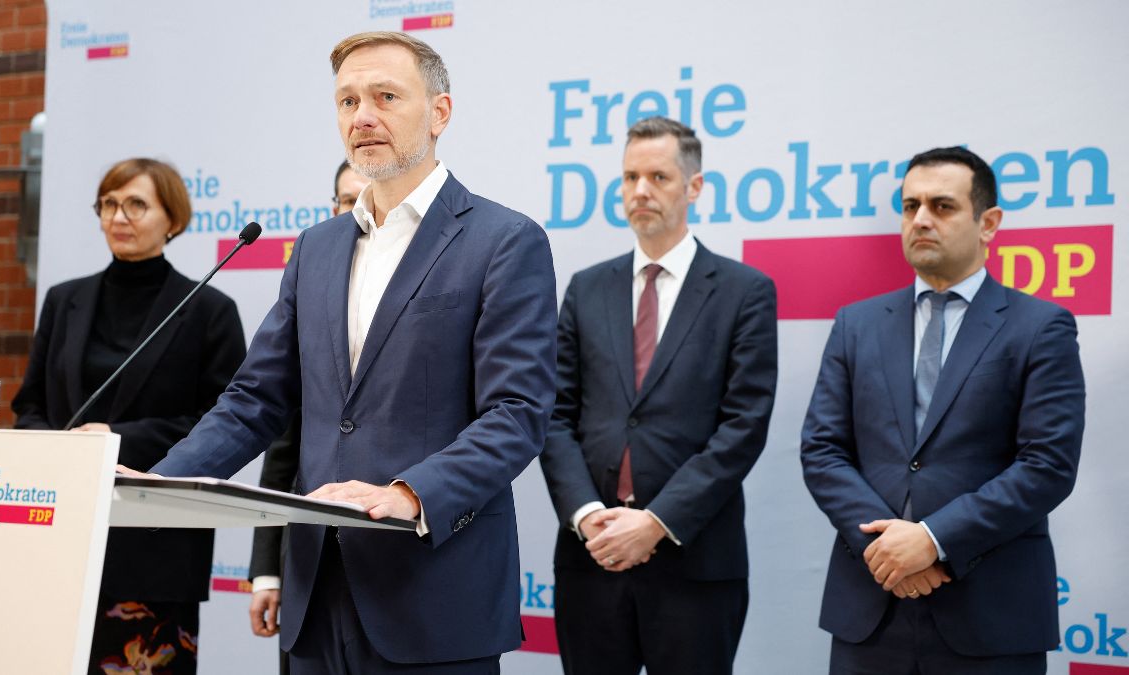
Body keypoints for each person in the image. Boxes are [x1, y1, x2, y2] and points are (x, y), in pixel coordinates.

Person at [149, 31, 557, 674]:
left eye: (386, 97)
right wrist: (158, 484)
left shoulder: (505, 240)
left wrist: (411, 493)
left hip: (432, 591)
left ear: (440, 113)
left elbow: (517, 413)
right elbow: (256, 398)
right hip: (315, 593)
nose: (362, 116)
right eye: (347, 101)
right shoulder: (315, 248)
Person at [800, 146, 1085, 674]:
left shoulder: (1040, 327)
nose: (921, 220)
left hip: (990, 616)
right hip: (870, 610)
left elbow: (1047, 465)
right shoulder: (855, 325)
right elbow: (822, 450)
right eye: (910, 206)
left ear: (988, 223)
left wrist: (933, 540)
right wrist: (887, 549)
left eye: (942, 206)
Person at [540, 116, 778, 675]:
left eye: (658, 177)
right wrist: (586, 515)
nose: (640, 191)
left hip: (694, 564)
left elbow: (743, 427)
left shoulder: (744, 292)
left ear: (694, 187)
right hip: (591, 558)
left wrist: (656, 522)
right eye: (630, 177)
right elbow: (554, 415)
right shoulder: (586, 288)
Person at [11, 157, 247, 674]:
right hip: (59, 539)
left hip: (155, 550)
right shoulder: (63, 301)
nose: (119, 216)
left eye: (136, 204)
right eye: (109, 204)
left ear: (173, 219)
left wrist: (116, 438)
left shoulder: (209, 311)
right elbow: (28, 406)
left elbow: (223, 423)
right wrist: (56, 448)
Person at [247, 161, 369, 674]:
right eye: (347, 200)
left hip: (403, 564)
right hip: (309, 573)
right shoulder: (313, 274)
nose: (357, 210)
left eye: (366, 197)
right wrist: (266, 571)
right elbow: (283, 450)